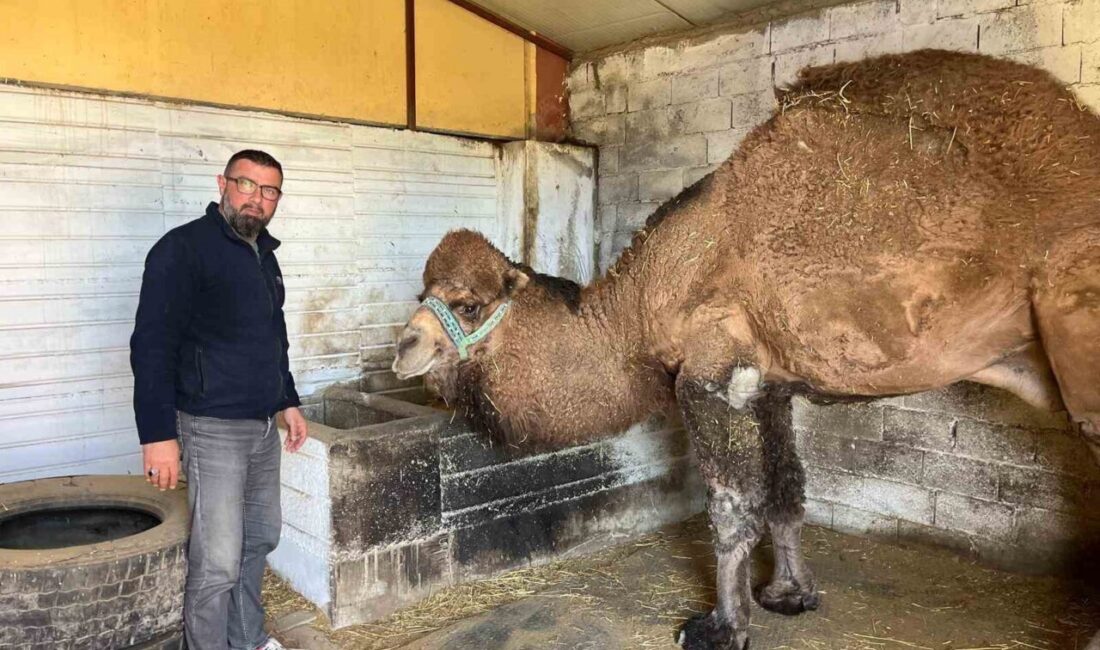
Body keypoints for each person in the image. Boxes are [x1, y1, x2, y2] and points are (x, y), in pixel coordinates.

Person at [130, 149, 309, 650]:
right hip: (210, 428)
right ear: (223, 183)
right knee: (218, 560)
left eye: (269, 190)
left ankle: (247, 638)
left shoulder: (264, 255)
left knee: (259, 540)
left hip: (261, 428)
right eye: (246, 184)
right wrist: (158, 434)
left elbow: (275, 337)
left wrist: (286, 401)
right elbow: (151, 344)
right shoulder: (182, 249)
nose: (257, 198)